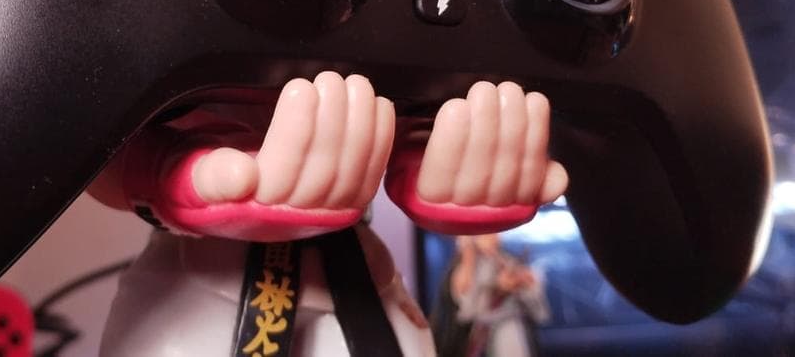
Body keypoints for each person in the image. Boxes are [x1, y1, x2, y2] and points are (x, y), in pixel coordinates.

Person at [87, 73, 568, 356]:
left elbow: (416, 114)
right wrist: (166, 174)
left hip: (357, 275)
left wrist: (450, 153)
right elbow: (89, 134)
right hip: (205, 279)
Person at [432, 234, 549, 357]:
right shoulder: (465, 265)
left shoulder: (508, 260)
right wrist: (469, 254)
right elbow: (465, 306)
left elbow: (537, 309)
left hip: (508, 334)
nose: (496, 237)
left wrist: (522, 281)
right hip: (472, 340)